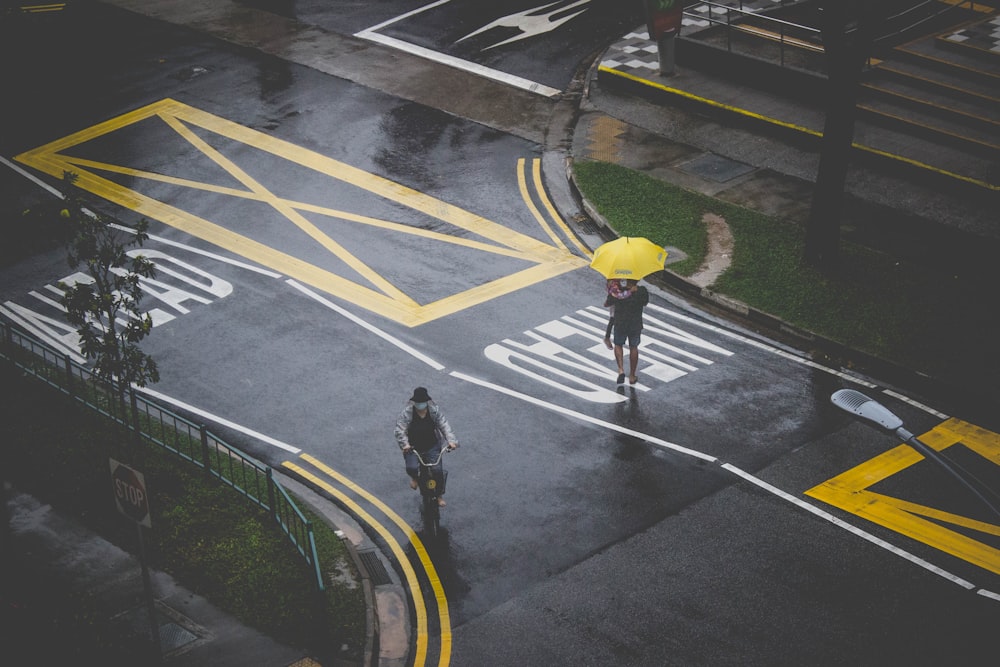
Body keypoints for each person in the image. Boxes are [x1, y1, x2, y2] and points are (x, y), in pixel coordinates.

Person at [394, 387, 458, 507]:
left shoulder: (434, 411)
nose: (420, 404)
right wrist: (405, 445)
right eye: (418, 402)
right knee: (412, 468)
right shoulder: (407, 414)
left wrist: (451, 441)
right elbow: (399, 430)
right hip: (413, 448)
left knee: (437, 471)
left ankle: (439, 496)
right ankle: (415, 478)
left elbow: (444, 425)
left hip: (432, 446)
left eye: (422, 402)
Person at [603, 278, 649, 385]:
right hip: (635, 324)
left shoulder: (618, 291)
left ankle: (621, 370)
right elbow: (645, 302)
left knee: (618, 345)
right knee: (634, 347)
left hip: (620, 324)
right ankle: (632, 375)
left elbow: (608, 303)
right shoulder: (642, 291)